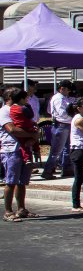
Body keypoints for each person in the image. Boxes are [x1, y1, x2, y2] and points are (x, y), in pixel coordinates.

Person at [2, 88, 38, 222]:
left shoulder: (21, 109)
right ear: (11, 96)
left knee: (22, 181)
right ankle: (8, 211)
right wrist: (31, 134)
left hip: (25, 148)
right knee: (11, 181)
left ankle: (21, 209)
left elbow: (31, 123)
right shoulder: (4, 111)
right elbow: (12, 129)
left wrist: (33, 136)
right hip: (12, 149)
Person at [41, 79, 76, 179]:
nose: (69, 92)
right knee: (56, 151)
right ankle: (47, 171)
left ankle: (67, 169)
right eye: (68, 90)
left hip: (66, 125)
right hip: (61, 125)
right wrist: (74, 115)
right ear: (62, 89)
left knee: (67, 149)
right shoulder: (58, 99)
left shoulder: (64, 98)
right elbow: (62, 114)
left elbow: (49, 110)